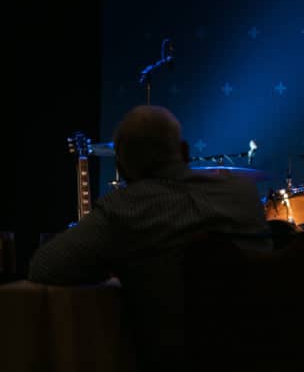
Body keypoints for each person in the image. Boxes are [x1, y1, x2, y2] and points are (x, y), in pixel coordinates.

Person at [28, 105, 272, 371]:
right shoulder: (243, 192)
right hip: (264, 356)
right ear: (185, 151)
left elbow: (44, 266)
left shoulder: (123, 209)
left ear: (121, 164)